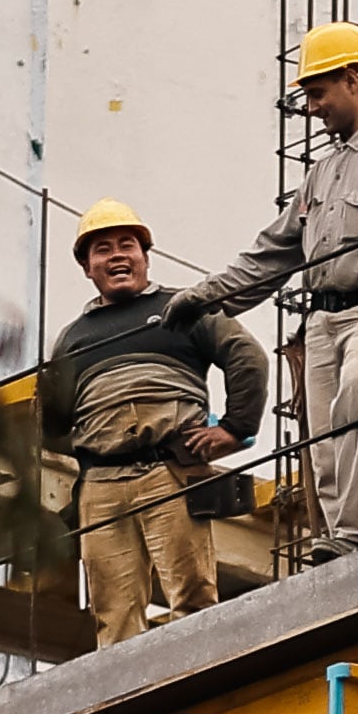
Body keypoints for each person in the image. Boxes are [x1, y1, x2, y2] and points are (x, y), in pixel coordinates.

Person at [165, 23, 358, 564]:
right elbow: (271, 254)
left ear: (354, 79)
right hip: (322, 322)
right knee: (322, 441)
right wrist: (203, 297)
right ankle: (343, 546)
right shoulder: (321, 174)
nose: (311, 108)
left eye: (317, 93)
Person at [39, 199, 271, 645]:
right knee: (114, 614)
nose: (118, 255)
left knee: (192, 597)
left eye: (128, 244)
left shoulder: (183, 309)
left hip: (169, 470)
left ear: (146, 256)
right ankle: (130, 707)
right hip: (101, 485)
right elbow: (53, 420)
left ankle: (197, 693)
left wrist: (235, 428)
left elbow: (247, 357)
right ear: (87, 267)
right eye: (103, 249)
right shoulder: (73, 338)